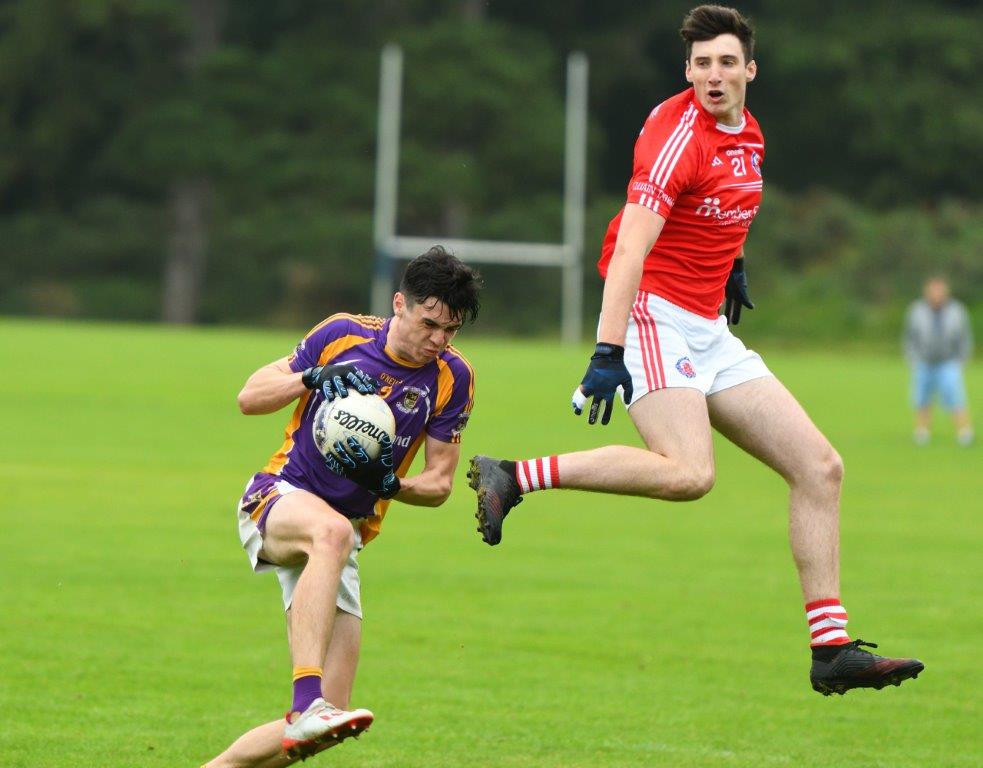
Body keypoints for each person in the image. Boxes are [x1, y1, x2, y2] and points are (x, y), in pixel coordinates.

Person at [468, 4, 923, 696]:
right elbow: (629, 247)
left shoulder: (750, 134)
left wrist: (729, 260)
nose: (713, 76)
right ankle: (512, 475)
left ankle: (830, 650)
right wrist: (605, 349)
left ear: (748, 70)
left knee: (819, 467)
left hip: (707, 327)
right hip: (654, 315)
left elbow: (722, 205)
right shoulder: (679, 134)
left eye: (725, 63)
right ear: (688, 72)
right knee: (687, 474)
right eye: (701, 64)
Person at [203, 246, 480, 767]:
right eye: (430, 324)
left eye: (452, 331)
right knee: (327, 535)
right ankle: (305, 700)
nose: (439, 341)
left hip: (345, 533)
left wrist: (390, 485)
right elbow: (250, 396)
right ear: (400, 304)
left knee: (331, 724)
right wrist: (310, 379)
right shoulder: (342, 334)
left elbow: (440, 483)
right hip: (279, 497)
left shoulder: (452, 377)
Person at [904, 275, 974, 446]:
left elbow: (965, 337)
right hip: (924, 361)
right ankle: (922, 432)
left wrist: (961, 360)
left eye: (939, 291)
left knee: (955, 396)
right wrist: (912, 359)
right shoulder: (917, 310)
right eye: (933, 290)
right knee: (922, 398)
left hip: (948, 361)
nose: (936, 294)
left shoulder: (957, 311)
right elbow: (909, 337)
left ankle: (964, 432)